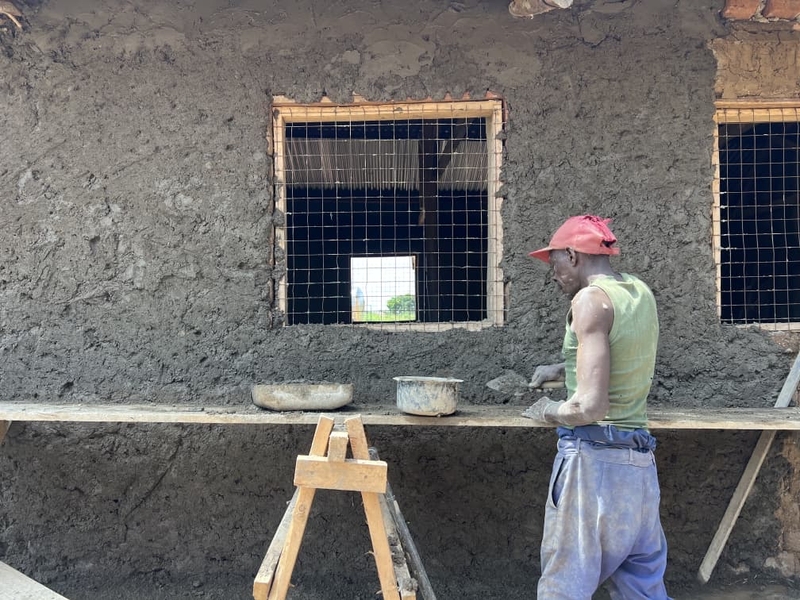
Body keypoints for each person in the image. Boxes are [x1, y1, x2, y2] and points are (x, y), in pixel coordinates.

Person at [524, 215, 671, 600]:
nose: (553, 274)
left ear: (573, 256)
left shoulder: (589, 300)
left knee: (564, 588)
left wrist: (547, 409)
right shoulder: (638, 291)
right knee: (641, 589)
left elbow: (589, 407)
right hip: (638, 468)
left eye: (555, 262)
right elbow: (621, 352)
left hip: (592, 467)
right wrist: (565, 367)